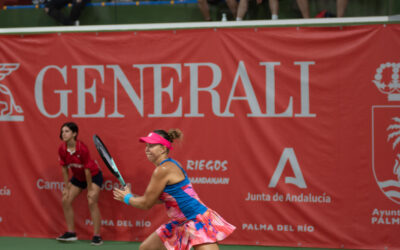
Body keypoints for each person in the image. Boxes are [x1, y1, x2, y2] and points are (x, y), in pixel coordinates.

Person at [113, 129, 236, 249]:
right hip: (179, 222)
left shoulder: (163, 170)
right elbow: (161, 199)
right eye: (146, 146)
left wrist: (127, 198)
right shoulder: (170, 165)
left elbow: (146, 204)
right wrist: (132, 196)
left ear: (163, 148)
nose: (147, 149)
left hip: (196, 219)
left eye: (151, 146)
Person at [56, 122, 103, 246]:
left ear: (74, 133)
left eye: (67, 131)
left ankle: (97, 236)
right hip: (78, 177)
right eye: (62, 131)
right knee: (65, 199)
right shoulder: (62, 149)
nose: (63, 134)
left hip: (93, 176)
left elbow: (87, 170)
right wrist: (66, 188)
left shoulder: (82, 148)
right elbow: (64, 169)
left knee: (91, 201)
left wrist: (90, 189)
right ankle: (71, 233)